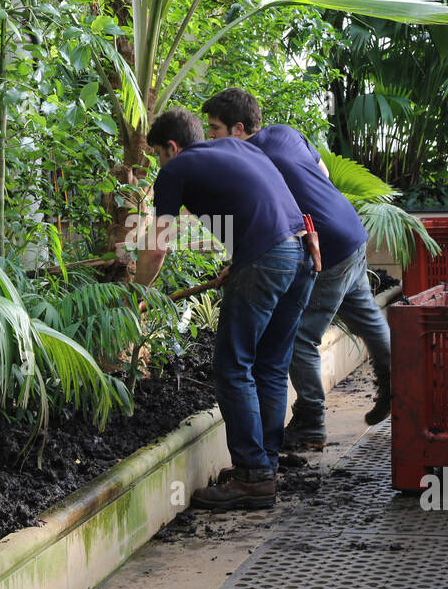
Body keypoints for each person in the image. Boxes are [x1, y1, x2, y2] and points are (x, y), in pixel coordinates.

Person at [134, 108, 316, 510]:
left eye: (157, 157)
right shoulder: (236, 146)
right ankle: (264, 466)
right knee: (269, 364)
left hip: (270, 256)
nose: (158, 166)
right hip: (303, 251)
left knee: (233, 365)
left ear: (171, 147)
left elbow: (158, 246)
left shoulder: (176, 169)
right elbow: (267, 204)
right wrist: (241, 262)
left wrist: (135, 293)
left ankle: (253, 475)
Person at [204, 88, 392, 448]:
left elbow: (267, 221)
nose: (210, 136)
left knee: (300, 338)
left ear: (238, 128)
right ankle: (396, 381)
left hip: (328, 250)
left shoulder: (250, 162)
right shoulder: (285, 132)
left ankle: (310, 420)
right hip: (350, 230)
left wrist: (244, 262)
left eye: (214, 129)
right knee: (366, 313)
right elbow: (321, 173)